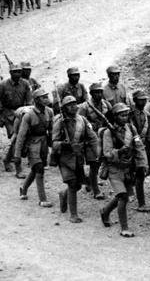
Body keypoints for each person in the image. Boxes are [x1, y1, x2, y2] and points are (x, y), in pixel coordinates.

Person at [99, 103, 148, 237]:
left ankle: (105, 211)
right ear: (115, 117)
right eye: (121, 115)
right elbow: (107, 153)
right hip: (114, 168)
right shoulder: (108, 133)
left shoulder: (131, 129)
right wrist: (119, 152)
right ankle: (124, 228)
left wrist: (143, 163)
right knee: (123, 197)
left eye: (126, 114)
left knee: (123, 195)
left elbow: (139, 147)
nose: (124, 117)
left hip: (128, 168)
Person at [53, 95, 98, 223]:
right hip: (64, 158)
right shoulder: (59, 121)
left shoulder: (82, 120)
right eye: (70, 105)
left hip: (78, 157)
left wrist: (97, 153)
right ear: (64, 108)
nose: (74, 107)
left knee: (78, 185)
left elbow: (92, 137)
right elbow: (54, 142)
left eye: (75, 104)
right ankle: (74, 214)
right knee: (72, 184)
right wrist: (63, 144)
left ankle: (64, 194)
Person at [13, 88, 54, 208]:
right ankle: (43, 199)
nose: (46, 99)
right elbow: (21, 136)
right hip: (32, 144)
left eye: (47, 97)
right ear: (36, 100)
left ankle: (24, 187)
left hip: (44, 144)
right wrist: (17, 154)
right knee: (39, 169)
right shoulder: (29, 115)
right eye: (43, 97)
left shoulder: (49, 112)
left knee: (36, 168)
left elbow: (51, 130)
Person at [0, 63, 33, 177]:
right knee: (15, 139)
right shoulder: (3, 85)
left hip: (20, 114)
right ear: (10, 73)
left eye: (19, 71)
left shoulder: (25, 84)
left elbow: (29, 101)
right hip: (7, 115)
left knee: (18, 140)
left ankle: (7, 159)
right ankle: (17, 168)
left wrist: (29, 114)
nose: (17, 74)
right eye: (15, 72)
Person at [78, 83, 111, 200]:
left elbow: (111, 119)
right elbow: (79, 123)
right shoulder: (84, 107)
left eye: (100, 92)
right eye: (96, 92)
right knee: (94, 164)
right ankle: (95, 190)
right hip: (90, 139)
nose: (99, 94)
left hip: (104, 137)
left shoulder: (106, 105)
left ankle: (90, 182)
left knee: (103, 161)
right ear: (91, 93)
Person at [130, 89, 150, 212]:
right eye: (140, 99)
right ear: (135, 100)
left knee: (140, 173)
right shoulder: (129, 114)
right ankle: (138, 201)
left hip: (145, 147)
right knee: (136, 173)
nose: (143, 102)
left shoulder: (147, 115)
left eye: (144, 99)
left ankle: (140, 202)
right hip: (133, 147)